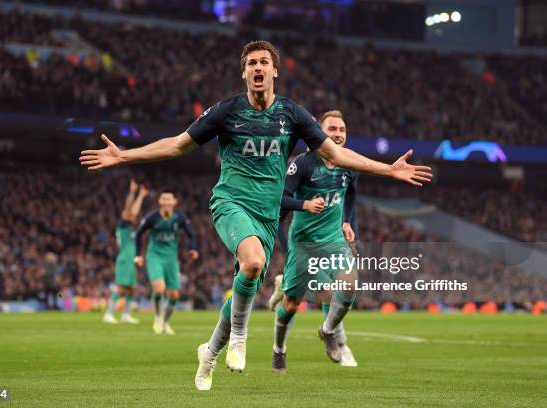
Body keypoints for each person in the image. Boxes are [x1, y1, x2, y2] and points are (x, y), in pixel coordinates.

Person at [79, 40, 432, 391]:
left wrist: (388, 170)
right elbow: (176, 144)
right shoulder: (226, 111)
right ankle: (240, 338)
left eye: (264, 62)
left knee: (247, 279)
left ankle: (210, 352)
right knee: (252, 263)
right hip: (230, 203)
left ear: (275, 70)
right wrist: (123, 156)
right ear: (244, 72)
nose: (258, 68)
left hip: (266, 216)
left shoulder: (292, 114)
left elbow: (335, 154)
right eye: (252, 63)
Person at [269, 110, 359, 375]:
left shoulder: (349, 165)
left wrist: (347, 221)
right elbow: (280, 199)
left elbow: (351, 194)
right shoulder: (303, 164)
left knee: (348, 285)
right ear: (319, 134)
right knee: (291, 305)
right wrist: (304, 204)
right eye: (332, 129)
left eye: (342, 130)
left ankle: (328, 330)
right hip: (304, 243)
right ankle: (279, 349)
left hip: (333, 240)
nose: (338, 134)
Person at [134, 190, 199, 335]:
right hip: (154, 256)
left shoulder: (180, 218)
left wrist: (193, 248)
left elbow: (192, 234)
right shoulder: (152, 217)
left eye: (169, 198)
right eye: (164, 199)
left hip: (171, 259)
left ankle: (165, 322)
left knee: (174, 295)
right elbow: (138, 233)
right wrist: (138, 255)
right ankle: (157, 317)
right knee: (159, 288)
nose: (167, 201)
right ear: (160, 202)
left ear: (174, 201)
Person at [103, 180, 149, 324]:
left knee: (131, 289)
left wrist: (140, 195)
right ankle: (109, 314)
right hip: (123, 260)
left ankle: (126, 315)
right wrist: (134, 194)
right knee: (122, 288)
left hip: (131, 260)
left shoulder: (131, 228)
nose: (133, 215)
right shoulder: (122, 226)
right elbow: (129, 209)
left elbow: (133, 212)